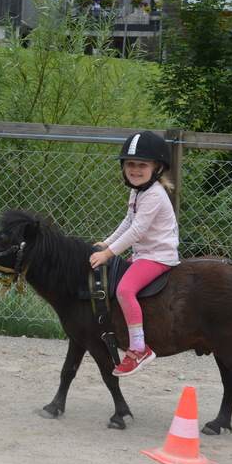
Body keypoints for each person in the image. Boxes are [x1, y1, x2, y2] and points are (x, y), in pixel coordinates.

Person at [88, 131, 179, 378]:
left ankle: (139, 349)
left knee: (124, 290)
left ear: (158, 168)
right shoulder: (138, 191)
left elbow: (137, 231)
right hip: (143, 253)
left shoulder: (154, 195)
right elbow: (128, 222)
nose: (135, 170)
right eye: (130, 164)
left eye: (142, 165)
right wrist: (106, 243)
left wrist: (108, 254)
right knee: (114, 280)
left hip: (157, 256)